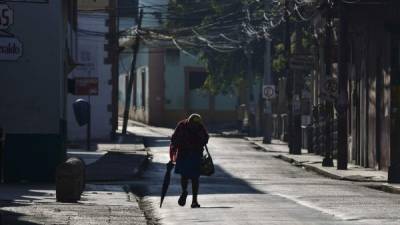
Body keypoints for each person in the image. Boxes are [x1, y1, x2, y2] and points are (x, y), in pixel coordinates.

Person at [170, 114, 209, 208]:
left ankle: (184, 191)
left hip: (184, 154)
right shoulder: (199, 126)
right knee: (195, 178)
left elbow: (174, 138)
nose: (194, 126)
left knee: (184, 176)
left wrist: (176, 147)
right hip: (195, 155)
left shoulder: (182, 125)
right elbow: (206, 138)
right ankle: (194, 201)